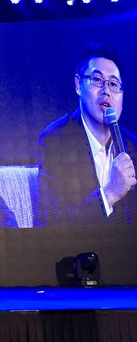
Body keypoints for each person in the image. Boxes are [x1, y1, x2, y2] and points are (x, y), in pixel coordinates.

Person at [37, 42, 137, 227]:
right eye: (97, 80)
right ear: (78, 85)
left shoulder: (132, 146)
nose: (106, 91)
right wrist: (109, 193)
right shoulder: (54, 140)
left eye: (113, 84)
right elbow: (54, 220)